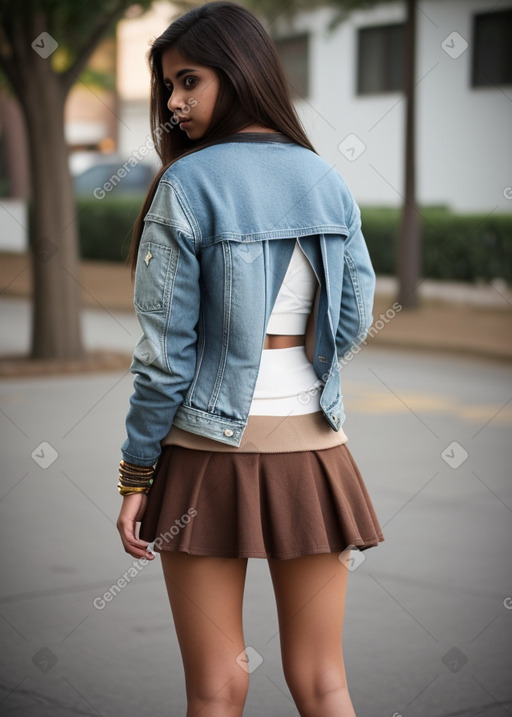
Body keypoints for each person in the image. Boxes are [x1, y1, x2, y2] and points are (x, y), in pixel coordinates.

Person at [116, 3, 384, 715]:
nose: (173, 102)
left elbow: (165, 360)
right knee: (325, 680)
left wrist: (135, 473)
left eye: (189, 81)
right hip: (318, 451)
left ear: (237, 74)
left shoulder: (186, 185)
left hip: (205, 454)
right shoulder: (325, 179)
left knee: (215, 686)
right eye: (168, 86)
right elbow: (353, 318)